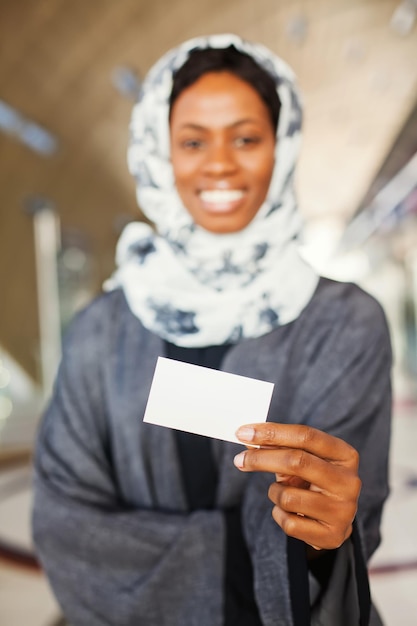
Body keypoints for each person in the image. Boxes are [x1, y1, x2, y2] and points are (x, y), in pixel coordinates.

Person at [32, 34, 392, 626]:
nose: (220, 163)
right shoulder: (104, 327)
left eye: (246, 138)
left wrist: (325, 533)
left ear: (282, 148)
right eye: (193, 141)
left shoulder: (343, 322)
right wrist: (244, 556)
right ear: (158, 152)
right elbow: (66, 525)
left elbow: (344, 525)